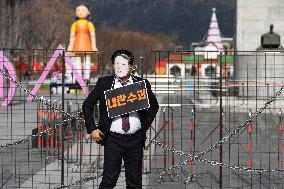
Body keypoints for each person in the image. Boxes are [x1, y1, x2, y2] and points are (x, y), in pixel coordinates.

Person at [82, 49, 159, 189]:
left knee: (134, 182)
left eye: (123, 64)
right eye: (116, 64)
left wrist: (144, 126)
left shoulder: (141, 84)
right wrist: (92, 129)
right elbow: (87, 105)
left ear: (130, 66)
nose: (119, 67)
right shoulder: (104, 83)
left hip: (135, 140)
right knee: (109, 180)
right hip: (113, 139)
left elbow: (154, 106)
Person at [67, 3, 98, 82]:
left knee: (86, 57)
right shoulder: (75, 24)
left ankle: (86, 76)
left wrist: (94, 46)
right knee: (77, 58)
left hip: (86, 42)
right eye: (78, 10)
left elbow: (92, 35)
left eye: (83, 10)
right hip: (78, 42)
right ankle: (78, 76)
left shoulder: (89, 24)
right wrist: (70, 46)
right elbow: (72, 36)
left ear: (88, 12)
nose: (80, 12)